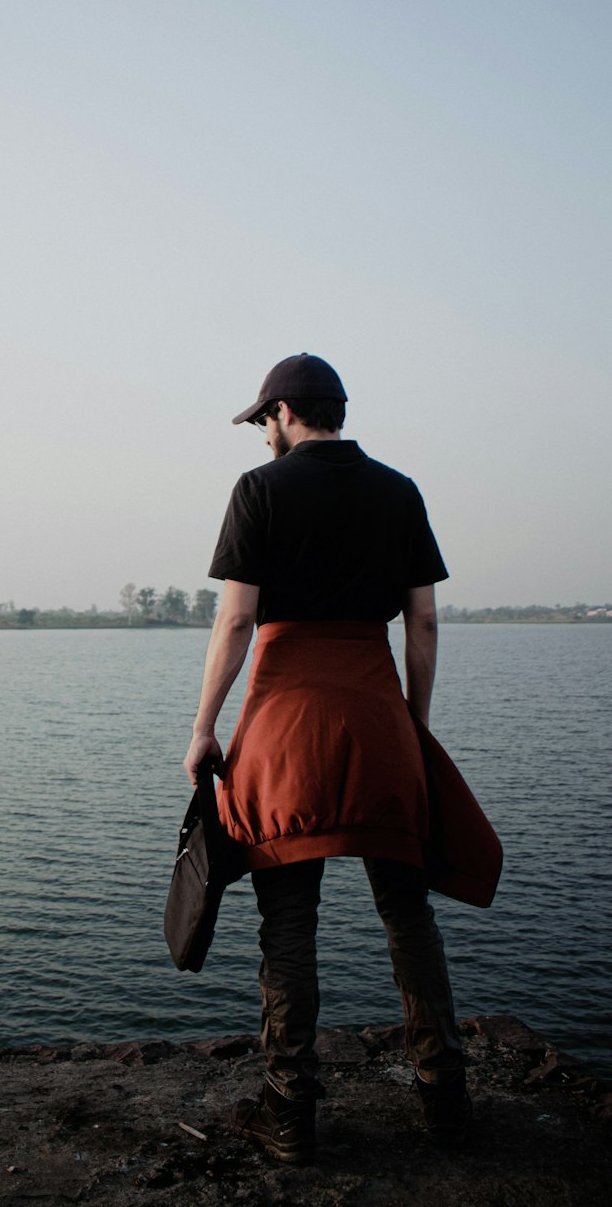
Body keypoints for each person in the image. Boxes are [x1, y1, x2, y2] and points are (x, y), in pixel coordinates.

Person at [183, 352, 477, 1166]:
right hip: (378, 717)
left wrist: (204, 726)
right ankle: (445, 1101)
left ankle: (288, 1114)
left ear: (281, 413)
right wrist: (413, 727)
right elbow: (421, 623)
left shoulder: (259, 490)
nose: (262, 436)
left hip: (285, 721)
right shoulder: (400, 490)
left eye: (262, 422)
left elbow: (236, 622)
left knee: (287, 920)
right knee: (407, 912)